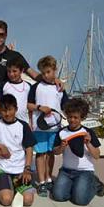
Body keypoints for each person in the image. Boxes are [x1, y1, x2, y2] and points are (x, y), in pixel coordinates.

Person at [0, 20, 62, 111]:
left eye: (1, 34)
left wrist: (53, 79)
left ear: (6, 35)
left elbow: (34, 75)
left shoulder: (15, 56)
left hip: (9, 108)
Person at [27, 55, 68, 197]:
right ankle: (41, 181)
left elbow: (65, 106)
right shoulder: (36, 87)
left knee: (51, 153)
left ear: (55, 70)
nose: (45, 75)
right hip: (40, 127)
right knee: (40, 153)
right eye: (43, 73)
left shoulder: (60, 88)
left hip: (55, 127)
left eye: (48, 72)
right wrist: (40, 107)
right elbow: (29, 105)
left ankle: (49, 177)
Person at [52, 98, 104, 206]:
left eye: (76, 117)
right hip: (66, 171)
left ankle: (95, 184)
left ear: (82, 118)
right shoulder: (62, 132)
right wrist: (61, 147)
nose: (72, 120)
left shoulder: (88, 132)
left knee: (80, 201)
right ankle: (74, 186)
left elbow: (97, 155)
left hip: (85, 171)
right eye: (70, 117)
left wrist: (89, 143)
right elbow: (55, 151)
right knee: (58, 196)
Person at [0, 94, 36, 206]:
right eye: (3, 110)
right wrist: (0, 146)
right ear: (0, 111)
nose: (7, 114)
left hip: (20, 169)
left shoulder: (23, 126)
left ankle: (15, 186)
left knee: (28, 201)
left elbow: (29, 148)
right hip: (2, 169)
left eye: (10, 110)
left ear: (16, 109)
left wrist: (27, 169)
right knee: (7, 200)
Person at [0, 57, 32, 125]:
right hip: (6, 123)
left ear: (21, 70)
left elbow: (30, 106)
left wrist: (30, 122)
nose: (11, 74)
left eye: (14, 71)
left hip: (24, 123)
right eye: (9, 71)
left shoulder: (28, 86)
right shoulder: (4, 85)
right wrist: (4, 114)